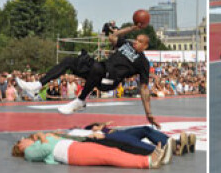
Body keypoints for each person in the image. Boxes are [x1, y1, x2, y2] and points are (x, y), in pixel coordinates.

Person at [16, 23, 159, 127]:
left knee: (97, 67)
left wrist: (148, 113)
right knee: (69, 61)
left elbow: (144, 88)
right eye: (136, 39)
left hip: (110, 80)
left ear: (145, 46)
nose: (135, 42)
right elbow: (113, 36)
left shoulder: (143, 62)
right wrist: (132, 28)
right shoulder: (126, 44)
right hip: (101, 70)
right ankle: (37, 85)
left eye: (140, 41)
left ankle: (81, 100)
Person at [11, 132, 164, 168]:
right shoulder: (29, 152)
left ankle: (150, 157)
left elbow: (56, 140)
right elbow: (45, 150)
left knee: (113, 151)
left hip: (74, 147)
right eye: (22, 140)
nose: (25, 138)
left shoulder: (37, 141)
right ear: (20, 146)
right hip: (70, 153)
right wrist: (42, 137)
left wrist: (45, 136)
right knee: (109, 156)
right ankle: (147, 162)